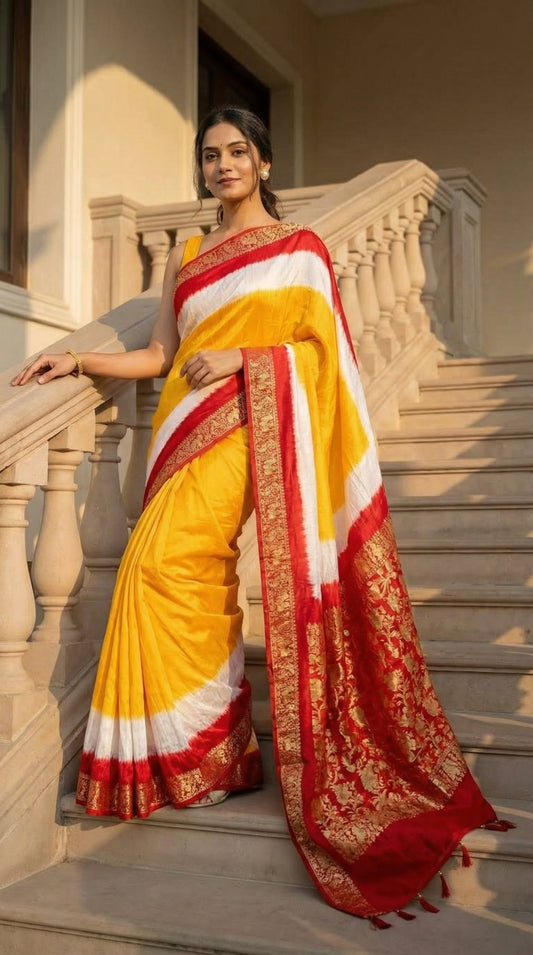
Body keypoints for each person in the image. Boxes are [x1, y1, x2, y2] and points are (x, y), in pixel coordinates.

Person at [12, 106, 505, 924]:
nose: (222, 165)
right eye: (210, 155)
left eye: (237, 152)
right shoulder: (191, 253)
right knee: (158, 571)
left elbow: (327, 360)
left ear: (264, 164)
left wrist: (248, 356)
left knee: (177, 565)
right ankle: (198, 758)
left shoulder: (299, 251)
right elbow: (157, 356)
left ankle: (203, 756)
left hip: (248, 428)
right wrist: (79, 353)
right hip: (179, 431)